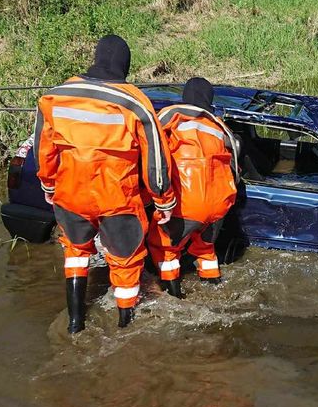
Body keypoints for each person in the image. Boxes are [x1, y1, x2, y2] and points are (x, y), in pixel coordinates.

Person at [34, 35, 175, 332]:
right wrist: (163, 200)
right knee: (125, 263)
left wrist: (49, 186)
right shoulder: (134, 102)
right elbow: (157, 161)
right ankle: (125, 327)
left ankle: (75, 323)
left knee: (75, 253)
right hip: (117, 198)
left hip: (70, 194)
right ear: (125, 65)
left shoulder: (55, 96)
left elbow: (43, 150)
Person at [147, 77, 239, 298]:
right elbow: (235, 170)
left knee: (166, 250)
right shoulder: (220, 126)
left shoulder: (171, 115)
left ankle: (174, 297)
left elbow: (151, 151)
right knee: (205, 249)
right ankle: (214, 288)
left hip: (186, 203)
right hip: (219, 206)